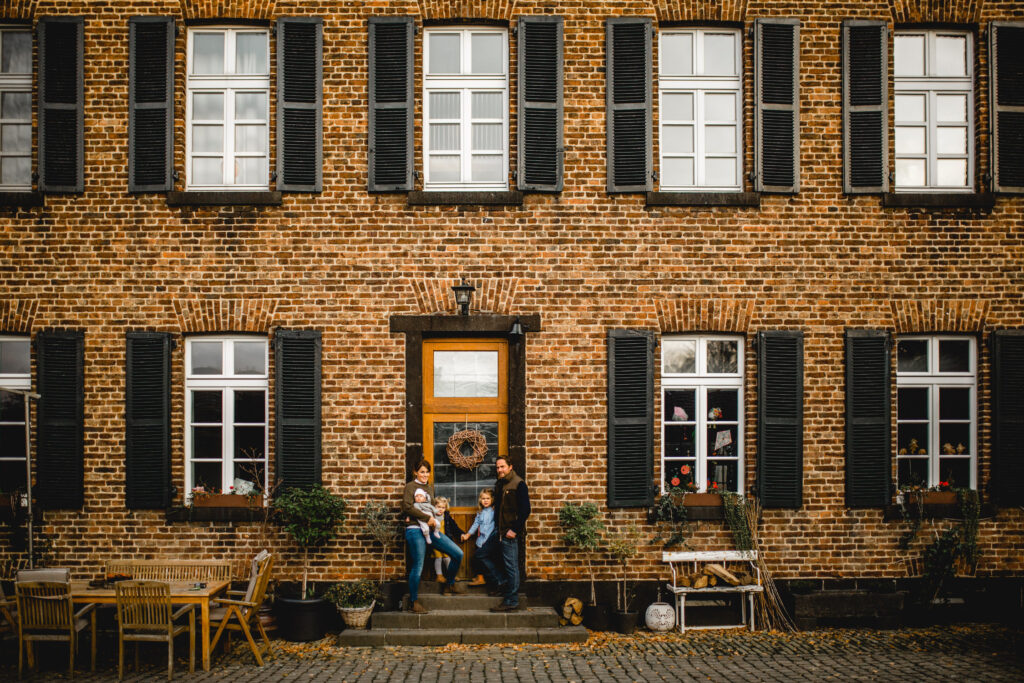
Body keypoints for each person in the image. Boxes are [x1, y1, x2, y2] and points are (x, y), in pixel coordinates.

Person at [401, 460, 464, 613]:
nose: (425, 475)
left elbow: (432, 509)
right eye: (421, 472)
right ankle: (413, 602)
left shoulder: (429, 488)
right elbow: (407, 506)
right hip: (415, 530)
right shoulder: (410, 487)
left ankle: (449, 584)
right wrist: (425, 518)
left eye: (427, 472)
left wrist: (435, 519)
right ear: (415, 472)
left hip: (431, 529)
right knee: (418, 565)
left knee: (458, 554)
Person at [490, 456, 530, 612]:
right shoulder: (500, 483)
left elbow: (525, 510)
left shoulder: (518, 484)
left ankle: (512, 600)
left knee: (512, 567)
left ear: (510, 467)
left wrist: (514, 530)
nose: (499, 470)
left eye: (502, 467)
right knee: (482, 554)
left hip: (509, 533)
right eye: (498, 467)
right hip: (498, 531)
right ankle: (502, 583)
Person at [461, 488, 501, 587]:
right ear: (480, 500)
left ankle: (489, 580)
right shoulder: (480, 512)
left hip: (489, 541)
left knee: (484, 560)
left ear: (492, 499)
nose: (485, 500)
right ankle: (480, 577)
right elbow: (476, 524)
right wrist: (468, 534)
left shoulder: (494, 511)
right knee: (476, 559)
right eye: (483, 498)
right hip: (480, 541)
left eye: (488, 498)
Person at [433, 496, 465, 583]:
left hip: (445, 540)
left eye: (443, 507)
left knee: (447, 557)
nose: (441, 509)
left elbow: (454, 526)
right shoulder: (431, 516)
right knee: (438, 557)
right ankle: (439, 576)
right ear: (434, 507)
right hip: (435, 540)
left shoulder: (446, 516)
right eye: (438, 507)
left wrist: (461, 533)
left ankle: (451, 575)